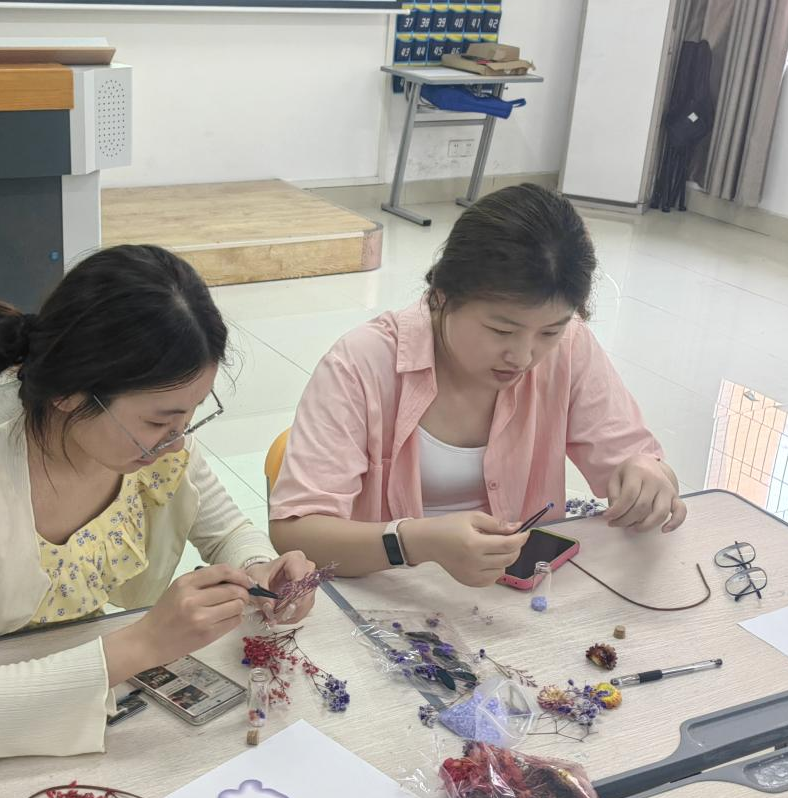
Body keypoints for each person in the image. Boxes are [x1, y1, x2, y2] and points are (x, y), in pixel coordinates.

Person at [0, 245, 316, 765]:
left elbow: (227, 532)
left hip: (77, 687)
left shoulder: (152, 445)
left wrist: (260, 568)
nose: (177, 441)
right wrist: (143, 644)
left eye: (192, 414)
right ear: (68, 391)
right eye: (159, 421)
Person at [269, 184, 686, 584]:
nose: (523, 357)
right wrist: (414, 542)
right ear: (442, 296)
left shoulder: (571, 345)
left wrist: (647, 475)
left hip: (518, 594)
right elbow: (296, 533)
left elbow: (633, 457)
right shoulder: (362, 363)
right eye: (501, 331)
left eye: (549, 332)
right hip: (387, 589)